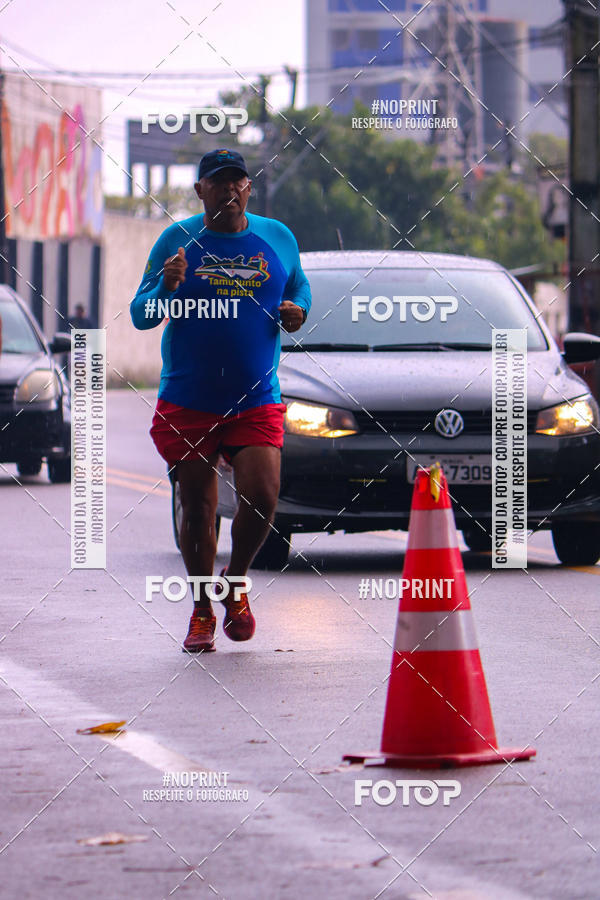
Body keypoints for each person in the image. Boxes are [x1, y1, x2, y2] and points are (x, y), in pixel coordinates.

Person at [130, 148, 311, 653]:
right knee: (199, 506)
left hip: (255, 397)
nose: (230, 191)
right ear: (201, 191)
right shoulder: (176, 239)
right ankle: (202, 610)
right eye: (219, 183)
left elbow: (299, 287)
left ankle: (236, 581)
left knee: (264, 495)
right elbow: (141, 315)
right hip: (191, 398)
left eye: (239, 182)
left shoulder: (277, 237)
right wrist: (166, 287)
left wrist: (298, 309)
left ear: (248, 188)